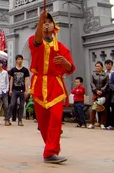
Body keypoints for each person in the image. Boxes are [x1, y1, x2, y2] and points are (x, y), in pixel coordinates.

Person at [29, 11, 75, 164]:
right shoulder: (34, 41)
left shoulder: (61, 47)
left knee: (56, 118)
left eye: (49, 22)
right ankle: (50, 146)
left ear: (55, 27)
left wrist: (65, 63)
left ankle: (50, 152)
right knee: (43, 123)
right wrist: (39, 23)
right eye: (44, 22)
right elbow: (36, 41)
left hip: (55, 85)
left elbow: (70, 68)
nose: (47, 24)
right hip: (39, 84)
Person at [8, 54, 30, 127]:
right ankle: (7, 119)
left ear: (22, 60)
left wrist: (27, 91)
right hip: (14, 90)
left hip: (22, 90)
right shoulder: (13, 70)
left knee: (21, 106)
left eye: (21, 59)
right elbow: (11, 80)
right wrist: (10, 90)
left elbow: (26, 80)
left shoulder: (25, 70)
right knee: (12, 104)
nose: (20, 60)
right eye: (18, 59)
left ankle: (20, 120)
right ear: (16, 61)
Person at [88, 61, 108, 129]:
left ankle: (102, 123)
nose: (97, 67)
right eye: (96, 66)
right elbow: (92, 83)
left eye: (99, 66)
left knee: (103, 108)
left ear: (102, 67)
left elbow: (107, 84)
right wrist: (96, 90)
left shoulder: (105, 75)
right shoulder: (93, 74)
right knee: (94, 108)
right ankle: (91, 123)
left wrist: (102, 90)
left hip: (103, 93)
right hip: (95, 93)